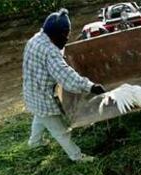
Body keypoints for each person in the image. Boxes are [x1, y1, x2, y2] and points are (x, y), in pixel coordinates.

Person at [22, 8, 105, 162]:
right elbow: (67, 78)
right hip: (43, 96)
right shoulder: (50, 51)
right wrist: (91, 87)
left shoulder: (36, 39)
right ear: (56, 35)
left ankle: (34, 143)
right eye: (66, 35)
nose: (67, 38)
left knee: (39, 116)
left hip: (31, 90)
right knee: (60, 130)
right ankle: (77, 157)